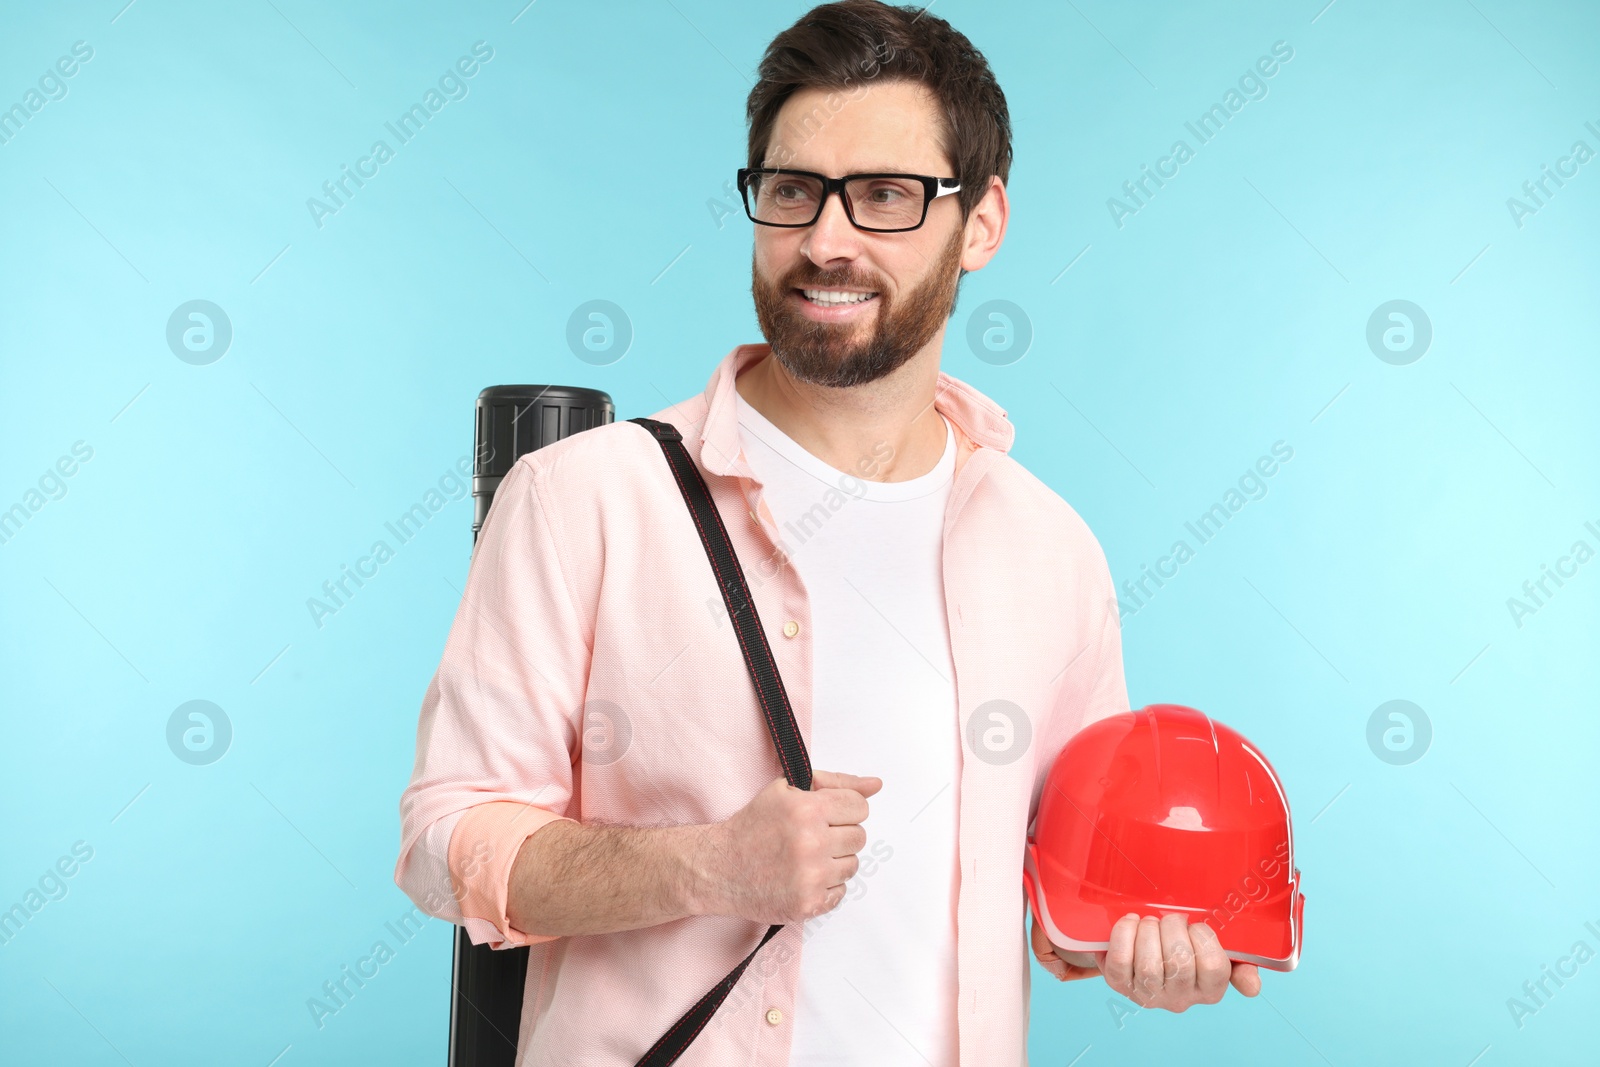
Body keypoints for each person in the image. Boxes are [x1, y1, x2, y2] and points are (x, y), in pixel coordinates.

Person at [395, 2, 1259, 1063]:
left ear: (981, 222)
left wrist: (1140, 942)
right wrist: (705, 866)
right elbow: (446, 841)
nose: (825, 241)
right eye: (793, 190)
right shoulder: (583, 500)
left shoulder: (1051, 551)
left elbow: (1051, 891)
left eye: (887, 195)